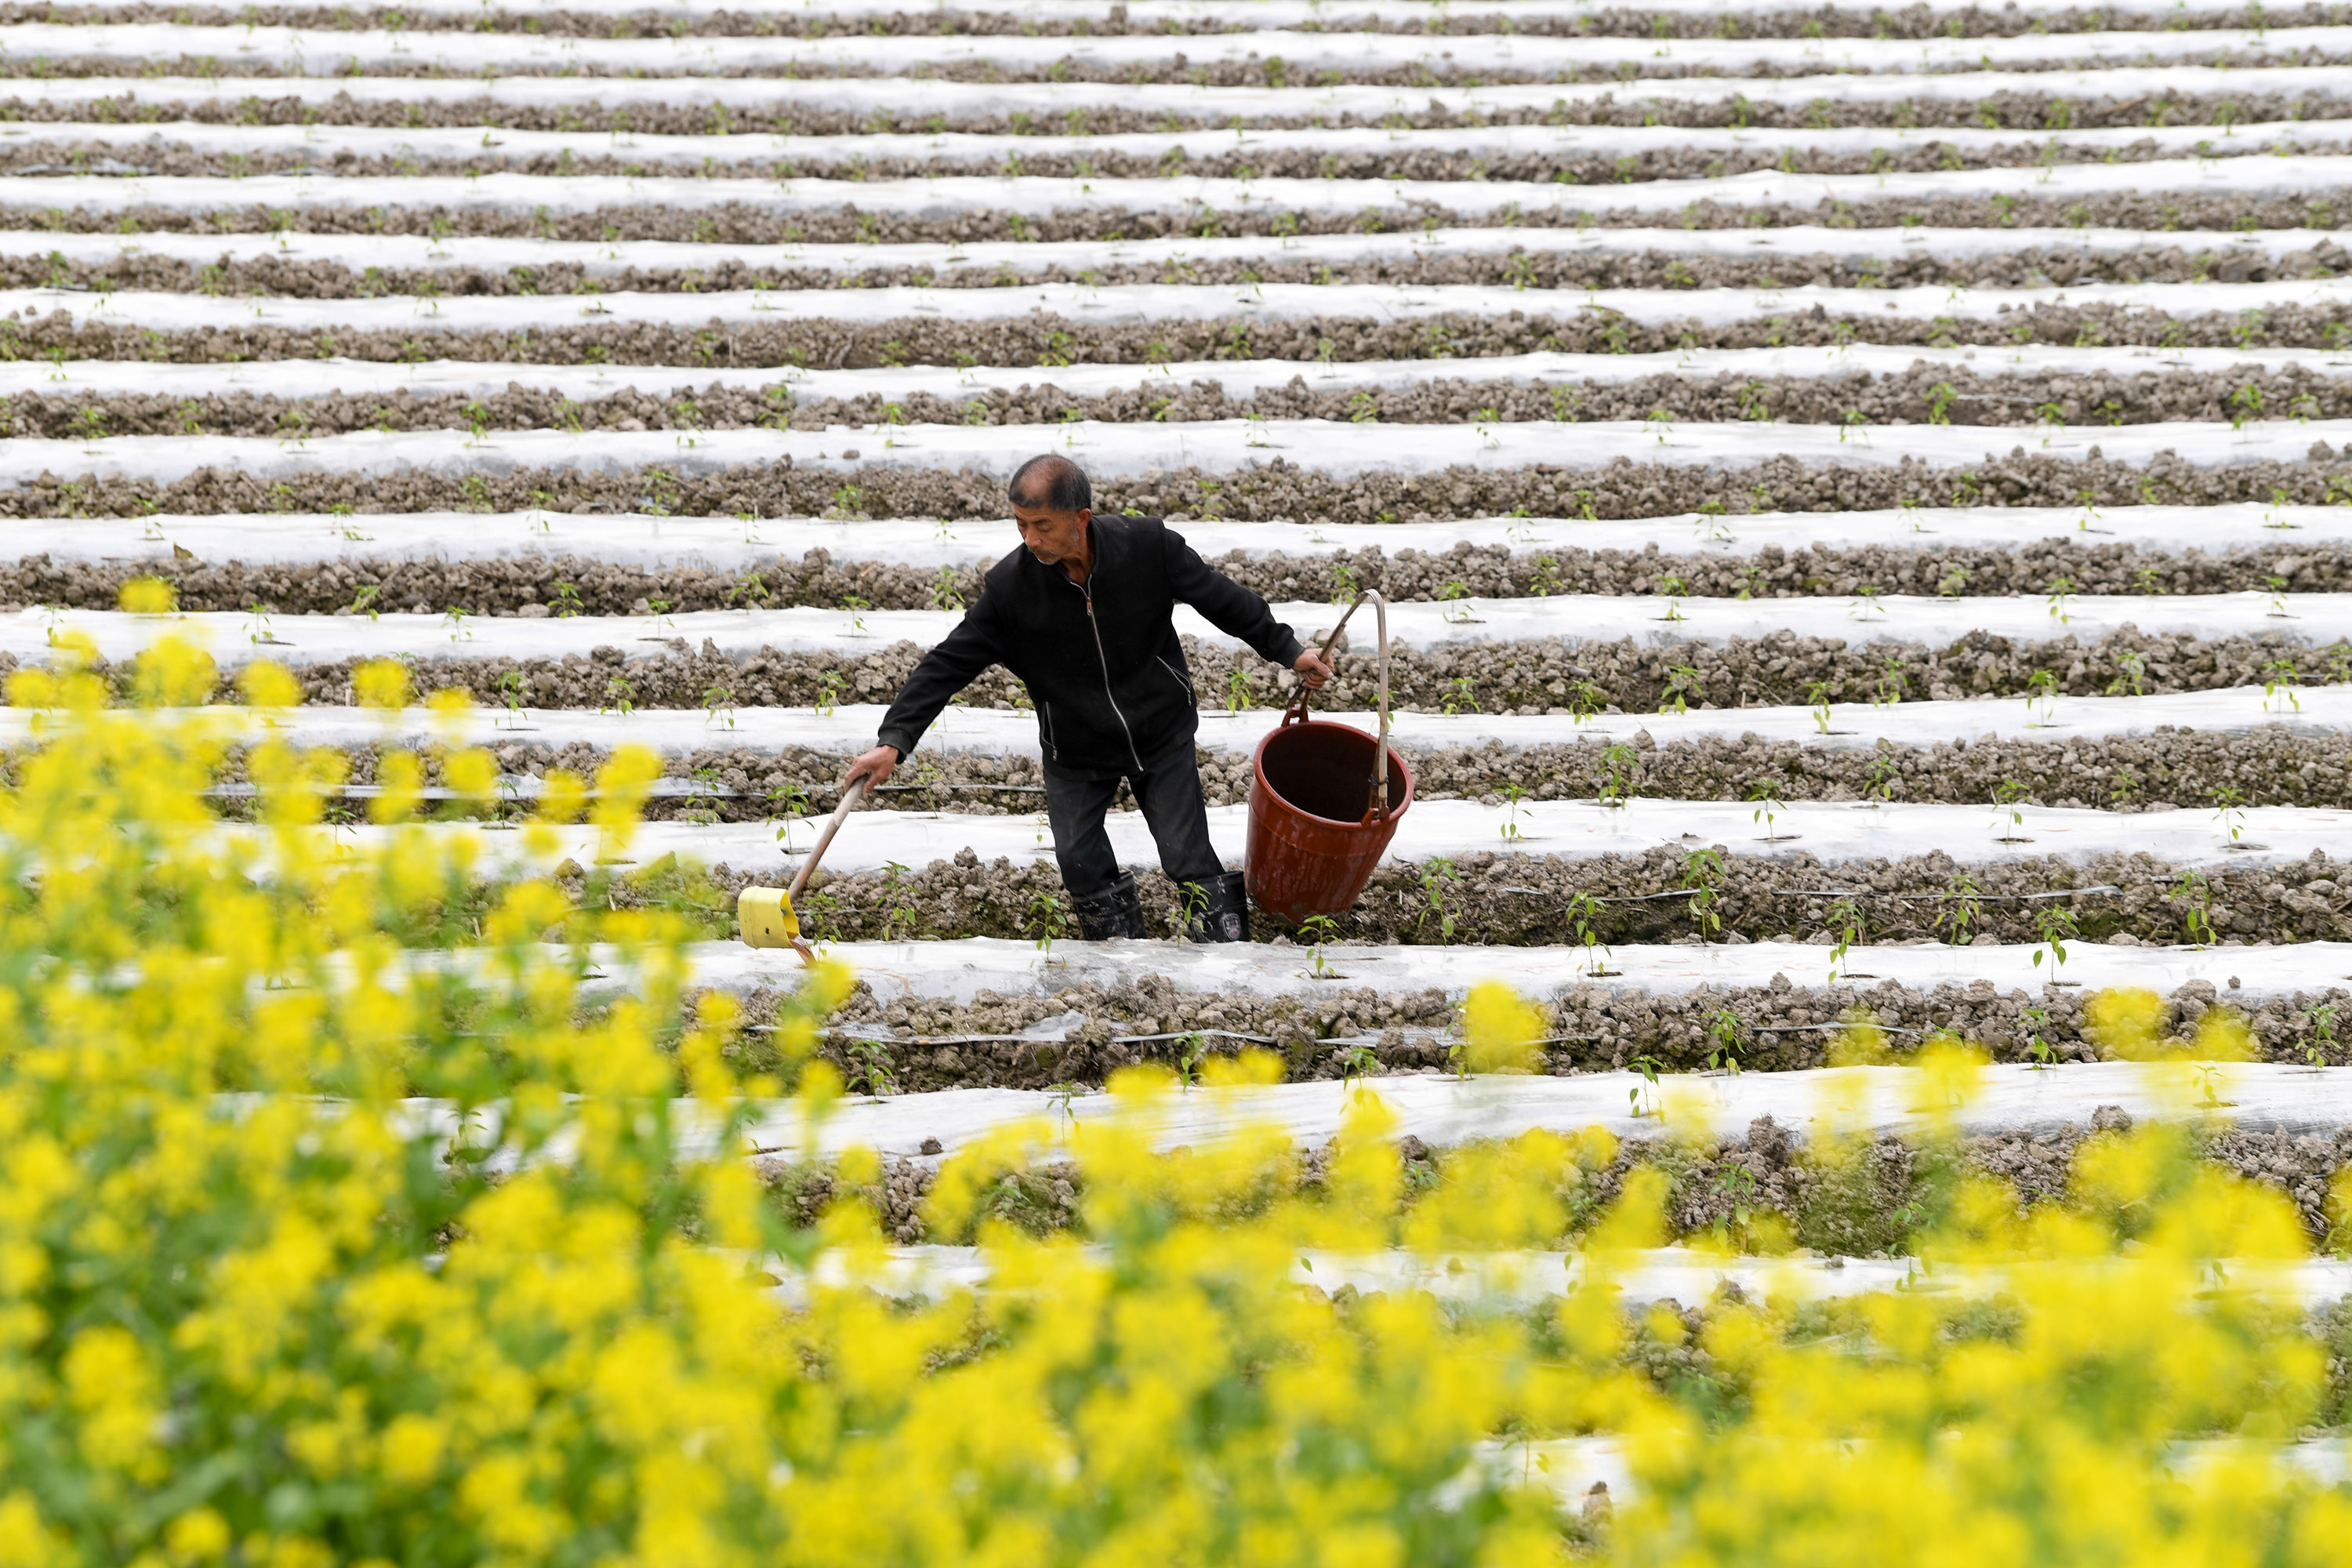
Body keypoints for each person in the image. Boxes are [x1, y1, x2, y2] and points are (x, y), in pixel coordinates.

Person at [840, 454, 1334, 942]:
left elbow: (1222, 598)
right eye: (1021, 525)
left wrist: (1288, 650)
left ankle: (1226, 957)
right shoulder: (1011, 591)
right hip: (1074, 747)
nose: (1031, 539)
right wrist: (894, 741)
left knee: (1186, 855)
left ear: (1081, 518)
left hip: (1159, 732)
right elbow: (946, 664)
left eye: (1042, 525)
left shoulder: (1147, 548)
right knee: (1080, 860)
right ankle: (1120, 962)